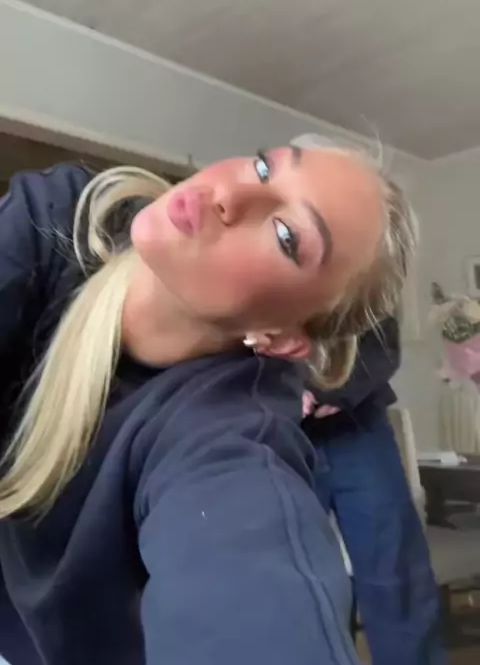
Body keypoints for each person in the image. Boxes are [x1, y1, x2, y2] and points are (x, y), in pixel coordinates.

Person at [0, 139, 416, 665]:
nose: (230, 194)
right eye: (263, 166)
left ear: (279, 337)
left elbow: (248, 564)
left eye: (287, 236)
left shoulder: (229, 435)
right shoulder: (59, 215)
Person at [303, 316, 447, 665]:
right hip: (275, 431)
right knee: (292, 581)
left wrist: (334, 391)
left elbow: (382, 336)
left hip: (357, 425)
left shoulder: (359, 282)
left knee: (395, 574)